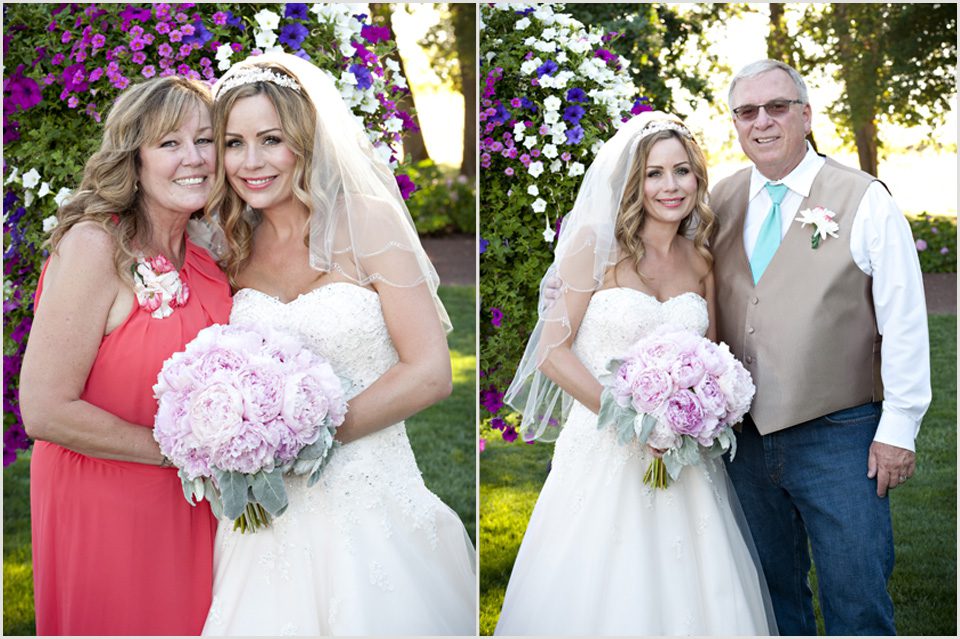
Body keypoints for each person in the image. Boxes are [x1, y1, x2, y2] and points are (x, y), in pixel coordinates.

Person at [199, 52, 476, 636]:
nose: (251, 163)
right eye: (233, 143)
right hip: (265, 515)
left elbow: (429, 372)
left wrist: (303, 435)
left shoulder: (367, 223)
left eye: (271, 139)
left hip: (369, 498)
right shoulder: (228, 248)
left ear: (304, 139)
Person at [495, 111, 775, 636]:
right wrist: (633, 420)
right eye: (654, 174)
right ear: (633, 183)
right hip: (603, 447)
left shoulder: (701, 261)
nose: (670, 186)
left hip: (685, 459)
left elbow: (713, 353)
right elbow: (551, 354)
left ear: (698, 178)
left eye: (682, 171)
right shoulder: (595, 250)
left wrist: (702, 405)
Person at [711, 59, 931, 635]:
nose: (763, 121)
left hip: (841, 435)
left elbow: (904, 318)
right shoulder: (720, 200)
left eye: (778, 107)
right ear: (735, 122)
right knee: (769, 597)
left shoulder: (864, 199)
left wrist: (899, 427)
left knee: (855, 596)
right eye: (747, 111)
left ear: (806, 116)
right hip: (743, 439)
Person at [18, 77, 233, 635]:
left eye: (206, 140)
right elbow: (44, 409)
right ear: (133, 158)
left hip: (199, 505)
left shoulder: (210, 253)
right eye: (169, 143)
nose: (195, 158)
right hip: (109, 502)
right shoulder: (95, 246)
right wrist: (184, 455)